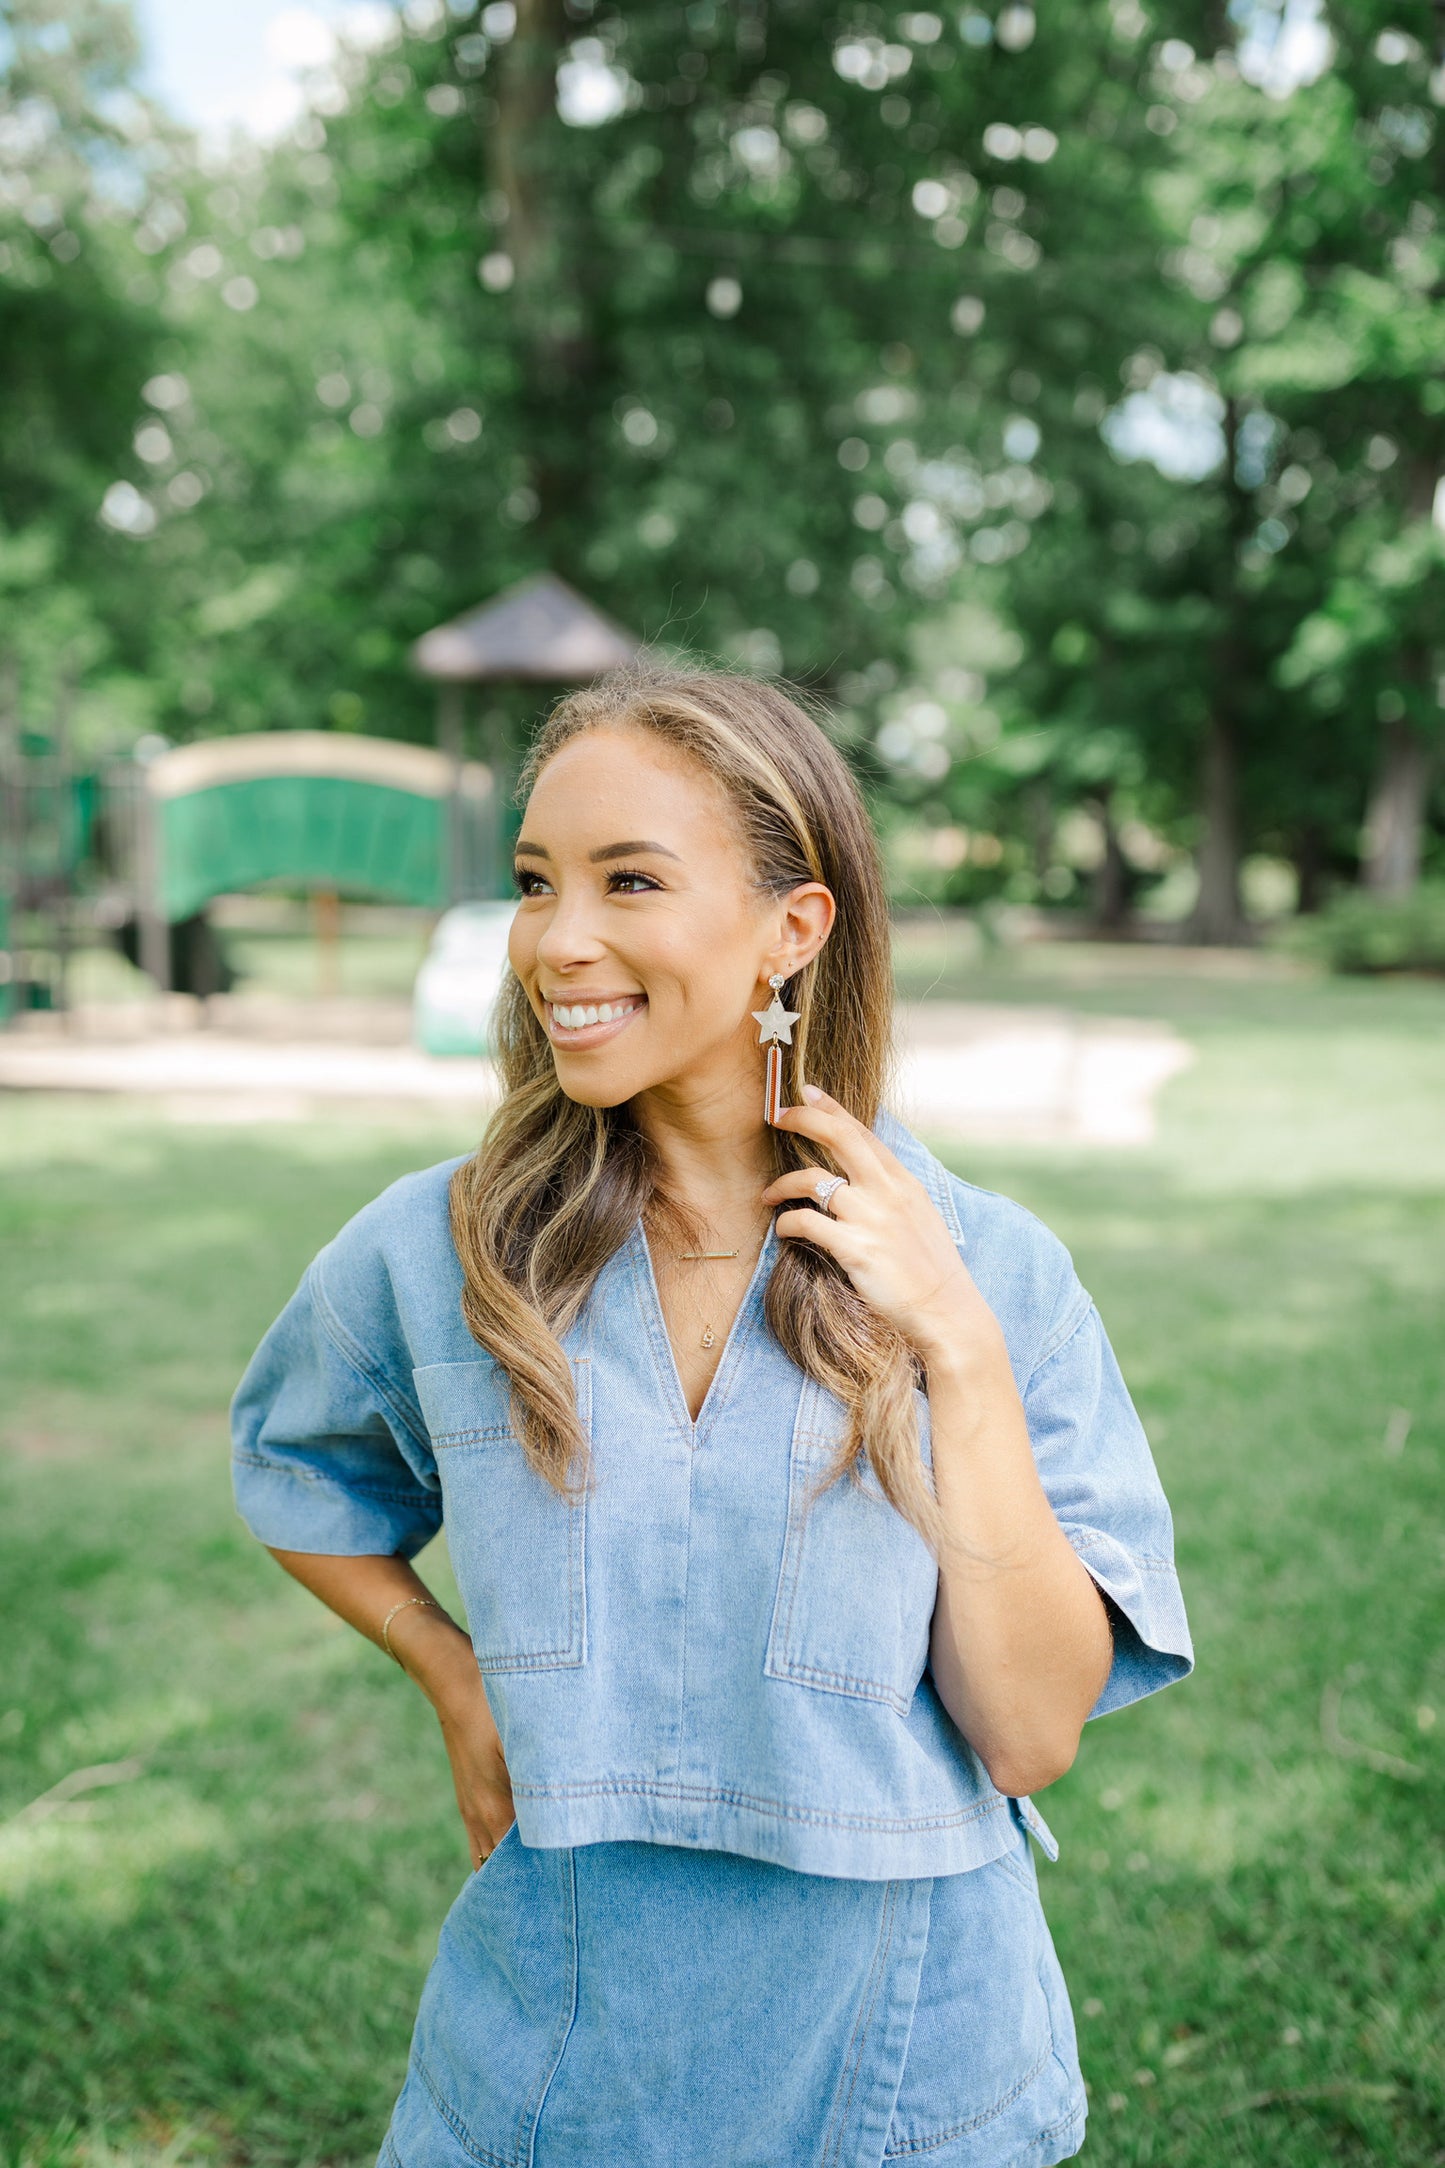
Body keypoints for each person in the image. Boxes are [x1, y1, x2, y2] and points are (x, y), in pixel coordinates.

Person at [230, 666, 1193, 2168]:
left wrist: (957, 1347)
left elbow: (1024, 1735)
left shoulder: (993, 1270)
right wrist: (452, 1673)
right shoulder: (440, 1251)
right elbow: (299, 1474)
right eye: (535, 882)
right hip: (549, 2059)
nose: (557, 940)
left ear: (791, 929)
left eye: (629, 881)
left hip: (900, 2065)